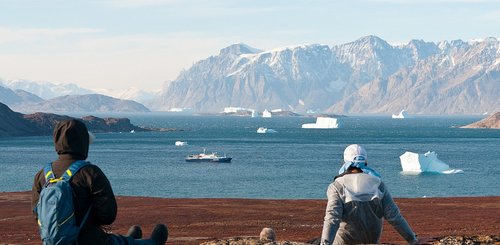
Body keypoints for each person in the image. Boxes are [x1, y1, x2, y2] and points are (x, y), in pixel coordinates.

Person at [31, 119, 168, 245]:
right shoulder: (90, 172)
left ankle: (130, 238)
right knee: (144, 243)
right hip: (91, 241)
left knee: (124, 240)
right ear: (83, 142)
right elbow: (108, 215)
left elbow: (37, 214)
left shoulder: (42, 175)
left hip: (52, 242)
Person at [320, 144, 420, 245]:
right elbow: (394, 217)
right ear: (365, 161)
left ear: (345, 162)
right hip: (371, 242)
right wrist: (412, 240)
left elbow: (332, 218)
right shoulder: (378, 184)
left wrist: (325, 243)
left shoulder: (337, 185)